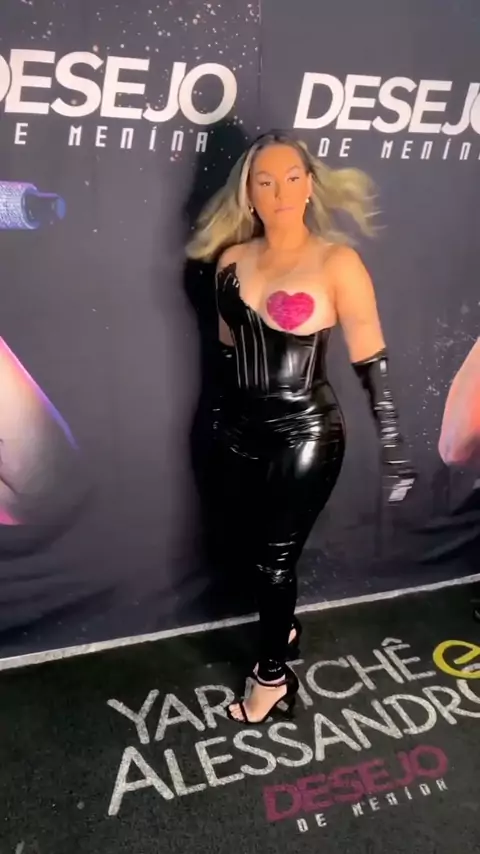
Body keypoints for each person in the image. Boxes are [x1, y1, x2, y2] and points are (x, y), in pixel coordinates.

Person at [186, 131, 416, 724]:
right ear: (249, 193)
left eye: (292, 178)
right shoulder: (231, 262)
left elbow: (370, 358)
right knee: (245, 547)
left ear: (310, 185)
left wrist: (393, 444)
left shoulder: (337, 262)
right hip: (238, 429)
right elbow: (229, 351)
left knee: (273, 560)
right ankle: (282, 629)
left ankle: (271, 679)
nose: (280, 191)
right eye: (265, 181)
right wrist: (221, 426)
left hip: (305, 431)